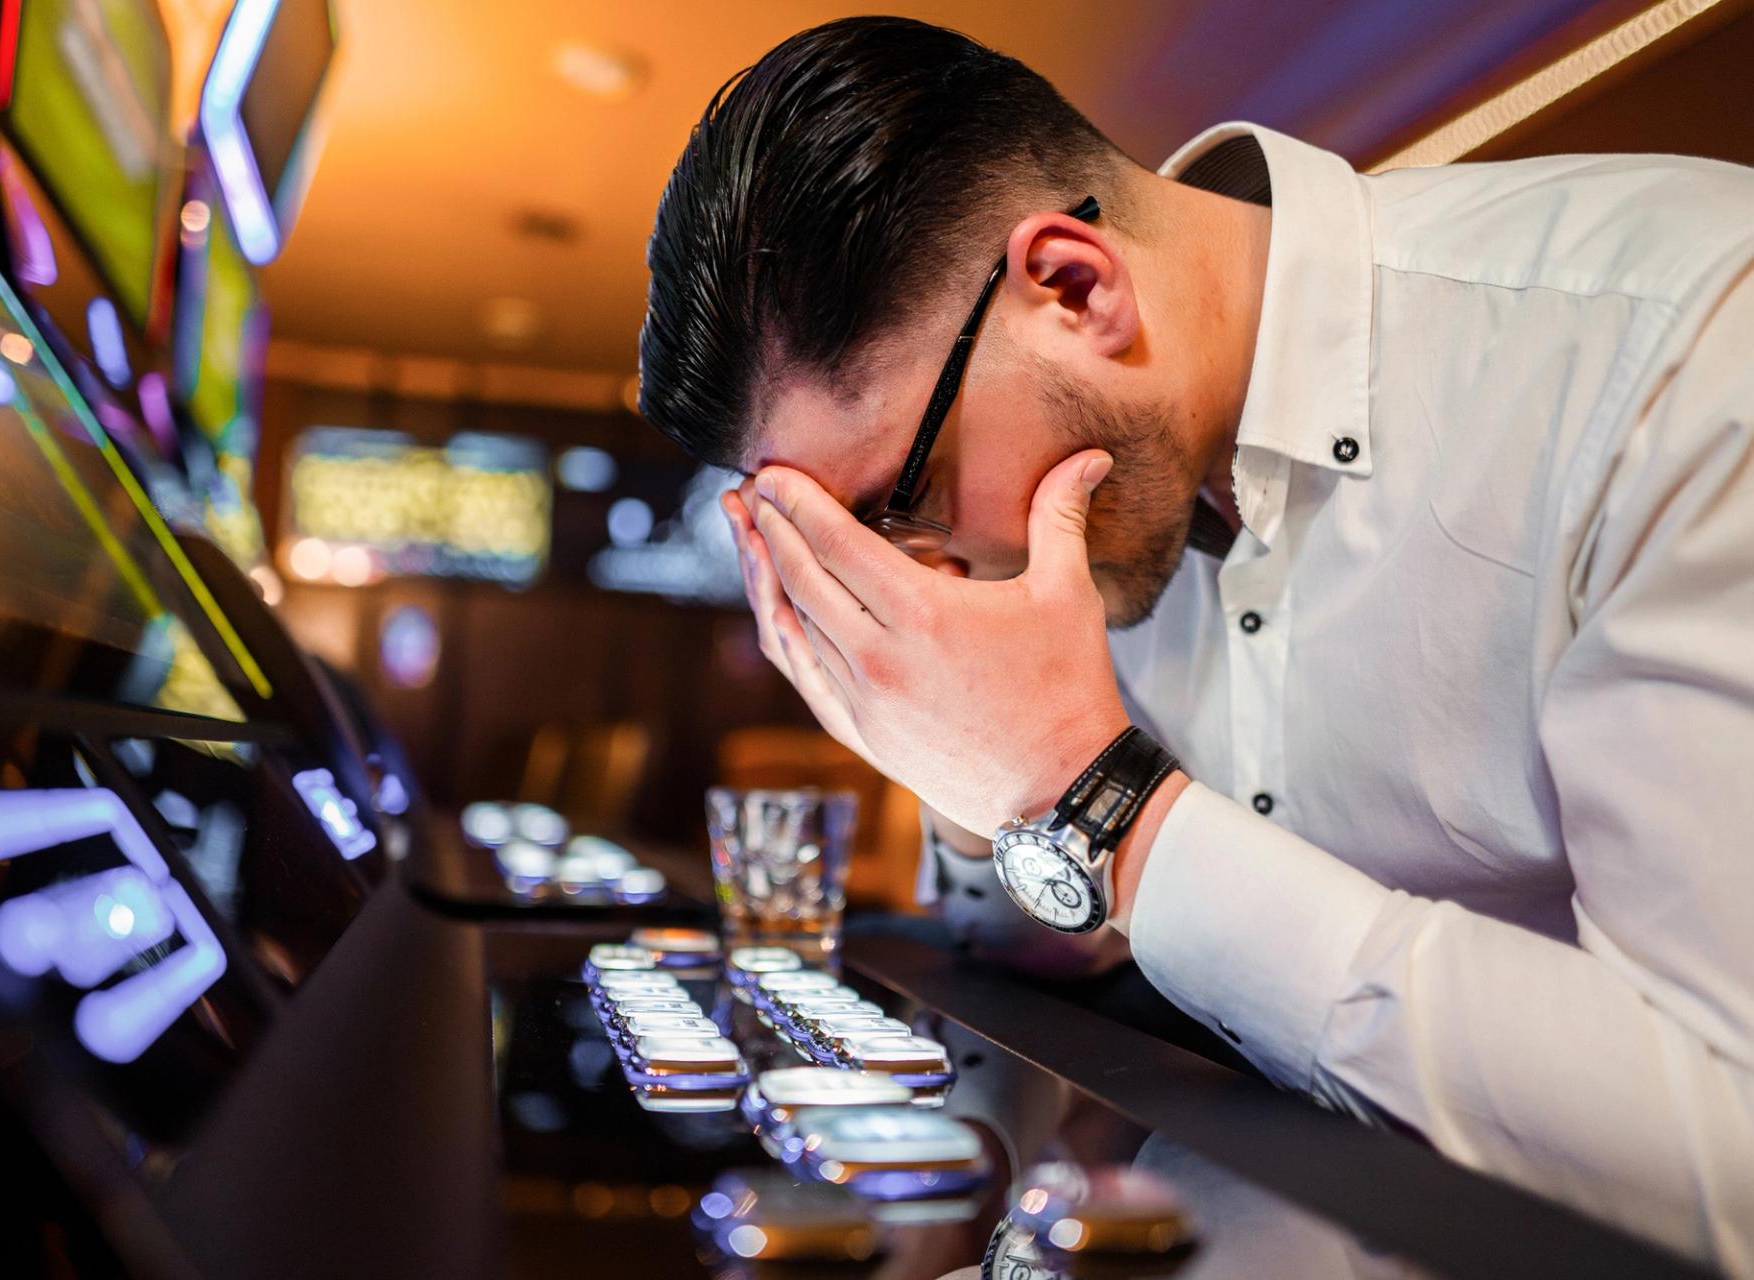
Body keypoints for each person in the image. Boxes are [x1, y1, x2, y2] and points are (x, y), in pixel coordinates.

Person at [635, 15, 1754, 1272]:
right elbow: (1073, 954)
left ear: (1074, 288)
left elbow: (1728, 1148)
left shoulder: (1687, 344)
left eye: (905, 498)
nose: (917, 569)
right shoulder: (1116, 494)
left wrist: (1097, 795)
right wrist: (962, 787)